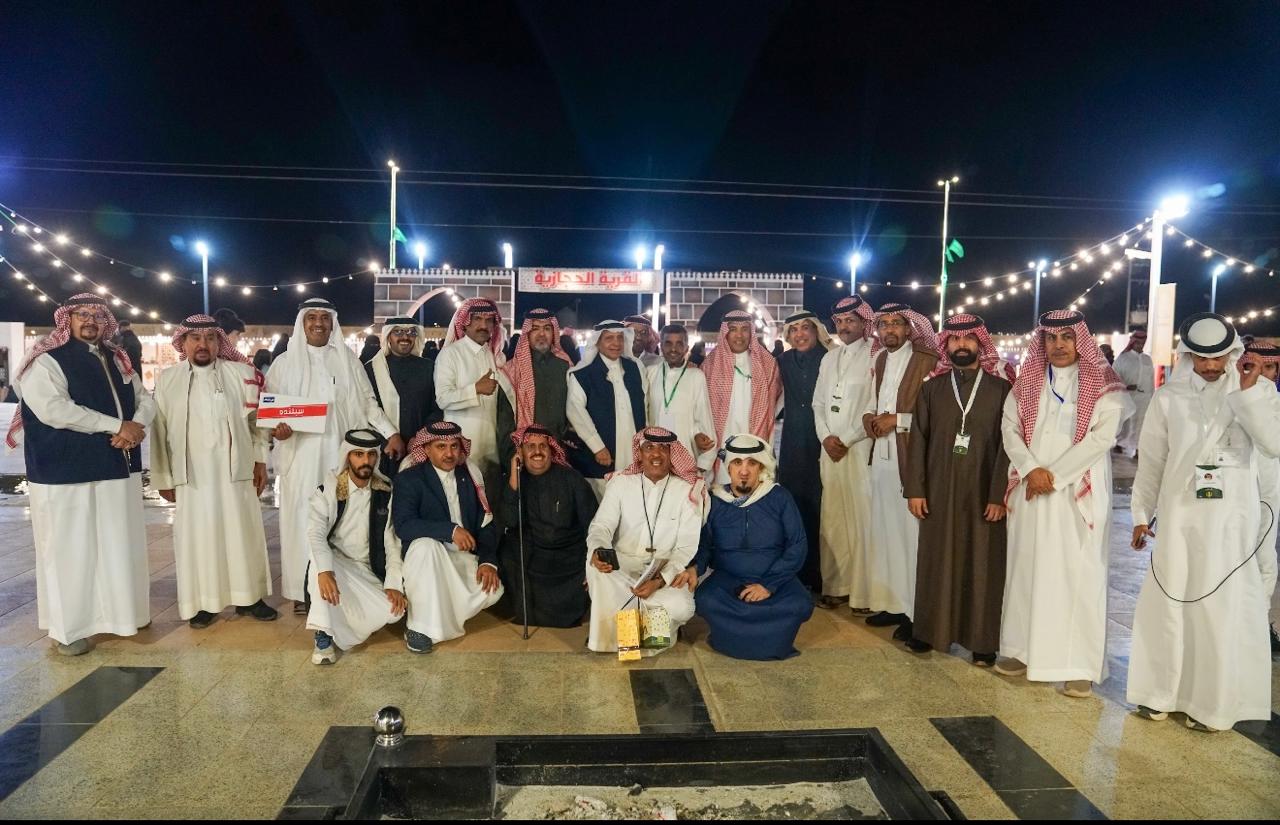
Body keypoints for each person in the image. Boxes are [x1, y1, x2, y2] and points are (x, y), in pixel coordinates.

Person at [1128, 315, 1279, 730]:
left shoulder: (1258, 391)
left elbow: (1272, 444)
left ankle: (1212, 705)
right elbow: (1152, 461)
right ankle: (1161, 694)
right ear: (1189, 356)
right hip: (1180, 516)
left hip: (1232, 520)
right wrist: (1140, 515)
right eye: (1201, 359)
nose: (1210, 367)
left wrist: (1247, 394)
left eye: (1218, 358)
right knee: (1171, 603)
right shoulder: (1169, 397)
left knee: (1218, 608)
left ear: (1232, 354)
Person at [5, 294, 154, 655]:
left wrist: (136, 426)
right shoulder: (46, 358)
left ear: (106, 321)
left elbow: (145, 399)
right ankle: (68, 629)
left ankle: (121, 617)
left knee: (118, 545)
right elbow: (54, 409)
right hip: (64, 470)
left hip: (115, 465)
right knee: (69, 551)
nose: (90, 321)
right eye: (82, 314)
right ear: (67, 320)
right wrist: (116, 425)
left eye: (97, 315)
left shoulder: (116, 357)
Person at [997, 309, 1131, 698]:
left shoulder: (1103, 385)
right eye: (1051, 338)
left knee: (1077, 574)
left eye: (1067, 338)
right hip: (1031, 490)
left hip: (1076, 493)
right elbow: (1009, 430)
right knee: (1026, 570)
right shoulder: (1026, 383)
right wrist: (1030, 470)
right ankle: (1023, 651)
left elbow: (1101, 439)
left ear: (1080, 341)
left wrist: (1052, 476)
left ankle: (1078, 666)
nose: (1058, 345)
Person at [265, 298, 403, 610]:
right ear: (302, 322)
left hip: (343, 457)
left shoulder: (348, 361)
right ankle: (302, 591)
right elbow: (271, 412)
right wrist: (277, 430)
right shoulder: (283, 364)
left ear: (333, 323)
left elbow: (368, 403)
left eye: (324, 318)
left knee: (341, 520)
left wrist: (391, 432)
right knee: (303, 519)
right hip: (301, 458)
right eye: (312, 317)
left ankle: (340, 586)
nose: (318, 323)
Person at [150, 314, 275, 628]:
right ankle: (204, 603)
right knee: (199, 539)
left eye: (209, 338)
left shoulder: (242, 374)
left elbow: (257, 422)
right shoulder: (168, 380)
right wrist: (163, 478)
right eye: (195, 338)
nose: (202, 344)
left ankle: (250, 598)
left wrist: (260, 460)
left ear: (220, 343)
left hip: (237, 474)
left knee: (243, 533)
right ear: (183, 343)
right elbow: (159, 431)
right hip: (191, 478)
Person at [903, 314, 1012, 661]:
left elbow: (1008, 447)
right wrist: (916, 490)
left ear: (980, 344)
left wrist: (998, 495)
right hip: (938, 491)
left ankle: (982, 642)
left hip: (983, 494)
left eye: (968, 339)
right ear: (946, 345)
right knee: (935, 560)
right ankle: (928, 631)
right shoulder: (932, 389)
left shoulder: (1002, 390)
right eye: (954, 339)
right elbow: (918, 441)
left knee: (982, 564)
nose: (961, 345)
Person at [685, 433, 813, 660]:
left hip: (774, 576)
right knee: (705, 599)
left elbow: (797, 544)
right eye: (737, 463)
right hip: (728, 577)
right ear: (728, 468)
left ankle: (770, 645)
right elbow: (705, 545)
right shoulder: (714, 499)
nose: (744, 471)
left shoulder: (779, 497)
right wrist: (695, 568)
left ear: (760, 467)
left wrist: (768, 585)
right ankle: (729, 641)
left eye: (751, 463)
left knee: (800, 603)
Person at [585, 427, 703, 655]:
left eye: (663, 448)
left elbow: (686, 547)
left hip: (664, 569)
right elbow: (601, 526)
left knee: (682, 607)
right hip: (624, 565)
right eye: (649, 448)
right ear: (640, 453)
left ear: (672, 454)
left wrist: (659, 581)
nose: (656, 454)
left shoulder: (687, 491)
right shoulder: (621, 483)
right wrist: (599, 549)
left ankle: (638, 631)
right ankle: (628, 639)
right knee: (596, 568)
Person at [861, 303, 939, 639]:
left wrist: (898, 420)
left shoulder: (928, 360)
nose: (889, 329)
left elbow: (937, 413)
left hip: (912, 460)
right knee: (886, 532)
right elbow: (872, 403)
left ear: (909, 328)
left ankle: (916, 611)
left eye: (896, 323)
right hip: (882, 460)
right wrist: (871, 419)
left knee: (911, 537)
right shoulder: (880, 359)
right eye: (884, 324)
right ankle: (893, 603)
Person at [392, 421, 503, 652]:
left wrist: (487, 561)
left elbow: (486, 524)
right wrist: (450, 531)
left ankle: (441, 619)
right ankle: (419, 628)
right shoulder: (409, 479)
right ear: (427, 449)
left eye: (454, 446)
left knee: (494, 590)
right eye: (441, 447)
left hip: (461, 557)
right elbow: (404, 526)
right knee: (426, 546)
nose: (449, 453)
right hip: (426, 561)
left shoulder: (469, 476)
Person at [306, 429, 406, 665]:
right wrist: (325, 571)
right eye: (358, 454)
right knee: (318, 564)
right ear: (347, 456)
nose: (365, 461)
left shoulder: (385, 492)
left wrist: (393, 584)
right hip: (336, 564)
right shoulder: (328, 490)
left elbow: (392, 542)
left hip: (367, 571)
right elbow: (315, 535)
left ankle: (339, 625)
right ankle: (323, 635)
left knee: (394, 611)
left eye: (371, 455)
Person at [813, 296, 876, 611]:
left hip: (859, 449)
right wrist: (826, 437)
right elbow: (818, 403)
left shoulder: (876, 355)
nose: (844, 326)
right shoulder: (829, 358)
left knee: (862, 519)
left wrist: (847, 439)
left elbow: (873, 405)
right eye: (839, 321)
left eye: (850, 320)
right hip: (830, 451)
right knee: (833, 518)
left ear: (864, 322)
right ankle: (836, 587)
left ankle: (864, 594)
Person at [498, 425, 597, 627]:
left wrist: (592, 559)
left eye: (543, 446)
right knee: (507, 554)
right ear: (520, 452)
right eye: (530, 446)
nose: (537, 451)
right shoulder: (515, 480)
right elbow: (509, 520)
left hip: (568, 556)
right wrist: (515, 476)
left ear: (552, 450)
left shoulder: (572, 479)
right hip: (532, 554)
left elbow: (593, 523)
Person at [776, 311, 833, 592]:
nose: (800, 334)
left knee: (822, 507)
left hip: (824, 442)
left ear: (816, 330)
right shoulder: (783, 361)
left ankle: (821, 574)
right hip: (792, 444)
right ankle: (795, 571)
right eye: (794, 329)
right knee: (794, 506)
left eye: (805, 328)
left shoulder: (831, 358)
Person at [565, 320, 648, 497]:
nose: (616, 343)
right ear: (597, 342)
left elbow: (645, 406)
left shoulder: (635, 368)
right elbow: (575, 412)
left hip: (634, 450)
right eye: (609, 338)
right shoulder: (581, 374)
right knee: (603, 502)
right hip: (602, 454)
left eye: (620, 338)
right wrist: (597, 447)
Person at [434, 298, 506, 493]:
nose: (483, 325)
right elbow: (443, 398)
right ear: (465, 323)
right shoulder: (450, 354)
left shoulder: (493, 355)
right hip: (461, 448)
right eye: (477, 319)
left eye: (489, 320)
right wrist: (475, 389)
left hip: (491, 449)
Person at [702, 309, 782, 485]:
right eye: (733, 329)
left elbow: (776, 402)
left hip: (755, 437)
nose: (739, 335)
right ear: (725, 332)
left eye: (744, 329)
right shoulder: (710, 365)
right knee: (723, 487)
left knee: (754, 487)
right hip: (721, 441)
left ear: (751, 332)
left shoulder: (767, 364)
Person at [497, 308, 573, 471]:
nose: (541, 334)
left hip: (561, 449)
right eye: (535, 329)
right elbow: (505, 420)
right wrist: (510, 455)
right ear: (527, 333)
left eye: (547, 328)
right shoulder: (511, 370)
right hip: (526, 451)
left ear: (554, 332)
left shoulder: (566, 366)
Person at [365, 316, 442, 478]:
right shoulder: (372, 369)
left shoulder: (428, 367)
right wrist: (389, 438)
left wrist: (421, 437)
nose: (405, 337)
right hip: (385, 448)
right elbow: (368, 408)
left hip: (422, 447)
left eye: (411, 332)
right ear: (388, 337)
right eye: (398, 332)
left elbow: (437, 407)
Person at [1241, 343, 1280, 651]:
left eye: (1269, 368)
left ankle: (1259, 627)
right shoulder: (1231, 398)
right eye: (1254, 367)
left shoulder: (1275, 403)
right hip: (1234, 491)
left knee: (1264, 558)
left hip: (1268, 491)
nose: (1263, 375)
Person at [646, 324, 716, 476]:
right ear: (661, 346)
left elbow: (703, 416)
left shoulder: (696, 376)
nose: (673, 349)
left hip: (686, 455)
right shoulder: (650, 373)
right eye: (668, 343)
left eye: (679, 344)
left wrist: (704, 462)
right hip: (654, 456)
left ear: (686, 348)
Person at [1113, 328, 1154, 458]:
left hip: (1144, 397)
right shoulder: (1123, 358)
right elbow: (1113, 378)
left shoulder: (1147, 359)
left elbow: (1151, 380)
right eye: (1138, 343)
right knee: (1127, 421)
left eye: (1142, 343)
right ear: (1133, 342)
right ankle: (1120, 443)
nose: (1140, 345)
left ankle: (1137, 448)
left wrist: (1152, 397)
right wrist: (1125, 387)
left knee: (1141, 423)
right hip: (1127, 396)